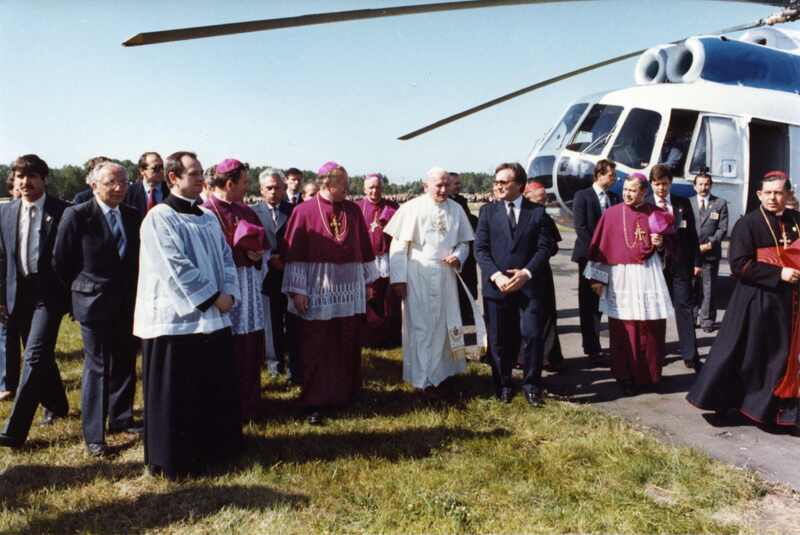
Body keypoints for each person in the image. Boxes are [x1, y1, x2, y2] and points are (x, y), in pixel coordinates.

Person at [133, 151, 242, 478]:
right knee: (177, 394)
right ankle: (176, 460)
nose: (200, 179)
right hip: (175, 321)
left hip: (213, 315)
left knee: (209, 388)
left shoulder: (208, 217)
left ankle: (215, 451)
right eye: (193, 174)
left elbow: (225, 257)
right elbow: (174, 266)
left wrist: (230, 294)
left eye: (200, 174)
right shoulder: (159, 217)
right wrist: (212, 298)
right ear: (173, 178)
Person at [687, 171, 800, 428]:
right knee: (747, 356)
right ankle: (736, 406)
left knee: (780, 358)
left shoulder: (796, 221)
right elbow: (740, 265)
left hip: (789, 303)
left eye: (779, 192)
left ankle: (778, 412)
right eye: (768, 192)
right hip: (756, 301)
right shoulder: (747, 224)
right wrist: (779, 273)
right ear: (759, 194)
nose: (773, 197)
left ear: (788, 194)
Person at [53, 162, 142, 457]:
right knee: (98, 365)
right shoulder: (77, 215)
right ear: (93, 185)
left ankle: (121, 417)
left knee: (126, 360)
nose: (119, 188)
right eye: (111, 183)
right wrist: (82, 289)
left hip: (127, 302)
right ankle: (94, 434)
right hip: (93, 302)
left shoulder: (132, 216)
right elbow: (61, 260)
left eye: (124, 182)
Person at [281, 161, 377, 425]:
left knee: (347, 340)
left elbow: (365, 248)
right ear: (328, 184)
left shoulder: (353, 210)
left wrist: (368, 283)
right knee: (317, 345)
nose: (348, 189)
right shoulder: (303, 211)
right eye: (344, 184)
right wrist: (297, 290)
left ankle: (346, 394)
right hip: (317, 287)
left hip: (348, 286)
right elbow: (295, 254)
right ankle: (315, 400)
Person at [0, 155, 71, 448]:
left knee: (33, 355)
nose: (24, 182)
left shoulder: (64, 211)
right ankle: (57, 404)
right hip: (20, 293)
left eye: (31, 177)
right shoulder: (6, 212)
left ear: (44, 179)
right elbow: (2, 259)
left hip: (50, 296)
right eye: (19, 177)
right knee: (39, 353)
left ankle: (13, 431)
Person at [384, 167, 475, 391]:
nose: (443, 190)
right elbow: (398, 245)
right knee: (420, 325)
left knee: (444, 323)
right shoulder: (411, 208)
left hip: (445, 274)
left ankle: (441, 373)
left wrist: (459, 256)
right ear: (426, 186)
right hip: (417, 273)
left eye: (447, 185)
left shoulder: (456, 209)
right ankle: (420, 377)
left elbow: (464, 242)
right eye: (438, 185)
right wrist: (398, 278)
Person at [584, 173, 674, 395]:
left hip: (648, 274)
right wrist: (597, 279)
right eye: (625, 189)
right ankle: (624, 376)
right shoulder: (612, 214)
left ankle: (650, 376)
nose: (627, 193)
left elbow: (672, 249)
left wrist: (661, 244)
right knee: (624, 327)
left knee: (650, 326)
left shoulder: (657, 214)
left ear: (644, 192)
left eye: (633, 190)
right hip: (621, 275)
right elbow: (600, 249)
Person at [475, 164, 556, 406]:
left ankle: (532, 385)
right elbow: (481, 249)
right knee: (500, 339)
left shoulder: (538, 213)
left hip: (528, 288)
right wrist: (497, 277)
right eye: (496, 181)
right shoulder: (487, 212)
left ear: (519, 185)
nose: (498, 186)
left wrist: (526, 273)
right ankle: (503, 384)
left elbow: (545, 248)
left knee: (532, 336)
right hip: (497, 287)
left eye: (504, 182)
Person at [202, 159, 267, 421]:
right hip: (223, 288)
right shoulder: (205, 213)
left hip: (248, 285)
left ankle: (251, 403)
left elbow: (261, 249)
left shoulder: (248, 211)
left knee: (249, 344)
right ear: (229, 183)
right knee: (226, 345)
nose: (247, 187)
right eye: (244, 182)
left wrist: (257, 255)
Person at [647, 164, 703, 369]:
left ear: (670, 183)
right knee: (656, 311)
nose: (661, 188)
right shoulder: (646, 204)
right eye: (657, 184)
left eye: (664, 184)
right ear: (651, 184)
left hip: (680, 264)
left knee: (684, 308)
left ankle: (690, 355)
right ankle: (656, 354)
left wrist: (697, 261)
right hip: (654, 266)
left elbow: (692, 235)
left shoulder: (682, 203)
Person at [571, 159, 619, 365]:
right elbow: (580, 227)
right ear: (599, 174)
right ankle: (591, 346)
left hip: (610, 258)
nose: (614, 179)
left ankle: (610, 344)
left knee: (605, 301)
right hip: (590, 257)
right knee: (589, 303)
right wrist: (597, 252)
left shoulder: (614, 197)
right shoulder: (582, 196)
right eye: (611, 175)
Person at [251, 168, 296, 379]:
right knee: (271, 321)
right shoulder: (253, 213)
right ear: (261, 190)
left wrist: (285, 260)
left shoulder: (295, 210)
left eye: (278, 187)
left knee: (293, 320)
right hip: (267, 275)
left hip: (291, 273)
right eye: (269, 188)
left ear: (284, 188)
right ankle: (274, 364)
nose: (273, 192)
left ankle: (295, 364)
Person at [522, 180, 564, 371]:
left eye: (544, 199)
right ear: (527, 197)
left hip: (541, 273)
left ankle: (547, 356)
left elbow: (553, 246)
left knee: (546, 316)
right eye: (539, 199)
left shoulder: (544, 216)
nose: (543, 203)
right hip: (522, 272)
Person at [356, 173, 401, 348]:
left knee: (388, 299)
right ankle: (369, 338)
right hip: (366, 260)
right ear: (364, 189)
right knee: (369, 298)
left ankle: (389, 337)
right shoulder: (358, 208)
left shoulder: (392, 207)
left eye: (378, 187)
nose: (375, 191)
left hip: (388, 258)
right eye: (371, 187)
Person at [690, 171, 728, 333]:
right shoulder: (688, 203)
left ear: (710, 185)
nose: (703, 187)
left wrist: (710, 244)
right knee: (691, 286)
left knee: (709, 287)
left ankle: (707, 319)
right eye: (700, 184)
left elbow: (722, 228)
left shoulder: (720, 203)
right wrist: (691, 246)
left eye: (706, 184)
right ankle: (691, 317)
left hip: (710, 253)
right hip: (691, 253)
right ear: (694, 186)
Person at [0, 172, 22, 402]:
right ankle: (7, 382)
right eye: (16, 188)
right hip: (7, 288)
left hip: (31, 291)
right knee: (7, 335)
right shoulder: (3, 214)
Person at [447, 172, 479, 328]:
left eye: (459, 183)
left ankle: (467, 313)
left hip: (467, 249)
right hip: (452, 250)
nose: (459, 186)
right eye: (456, 184)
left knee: (469, 282)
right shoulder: (449, 203)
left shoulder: (461, 201)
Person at [124, 152, 170, 217]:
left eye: (162, 167)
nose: (161, 171)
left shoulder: (171, 190)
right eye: (156, 168)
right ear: (142, 171)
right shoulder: (129, 193)